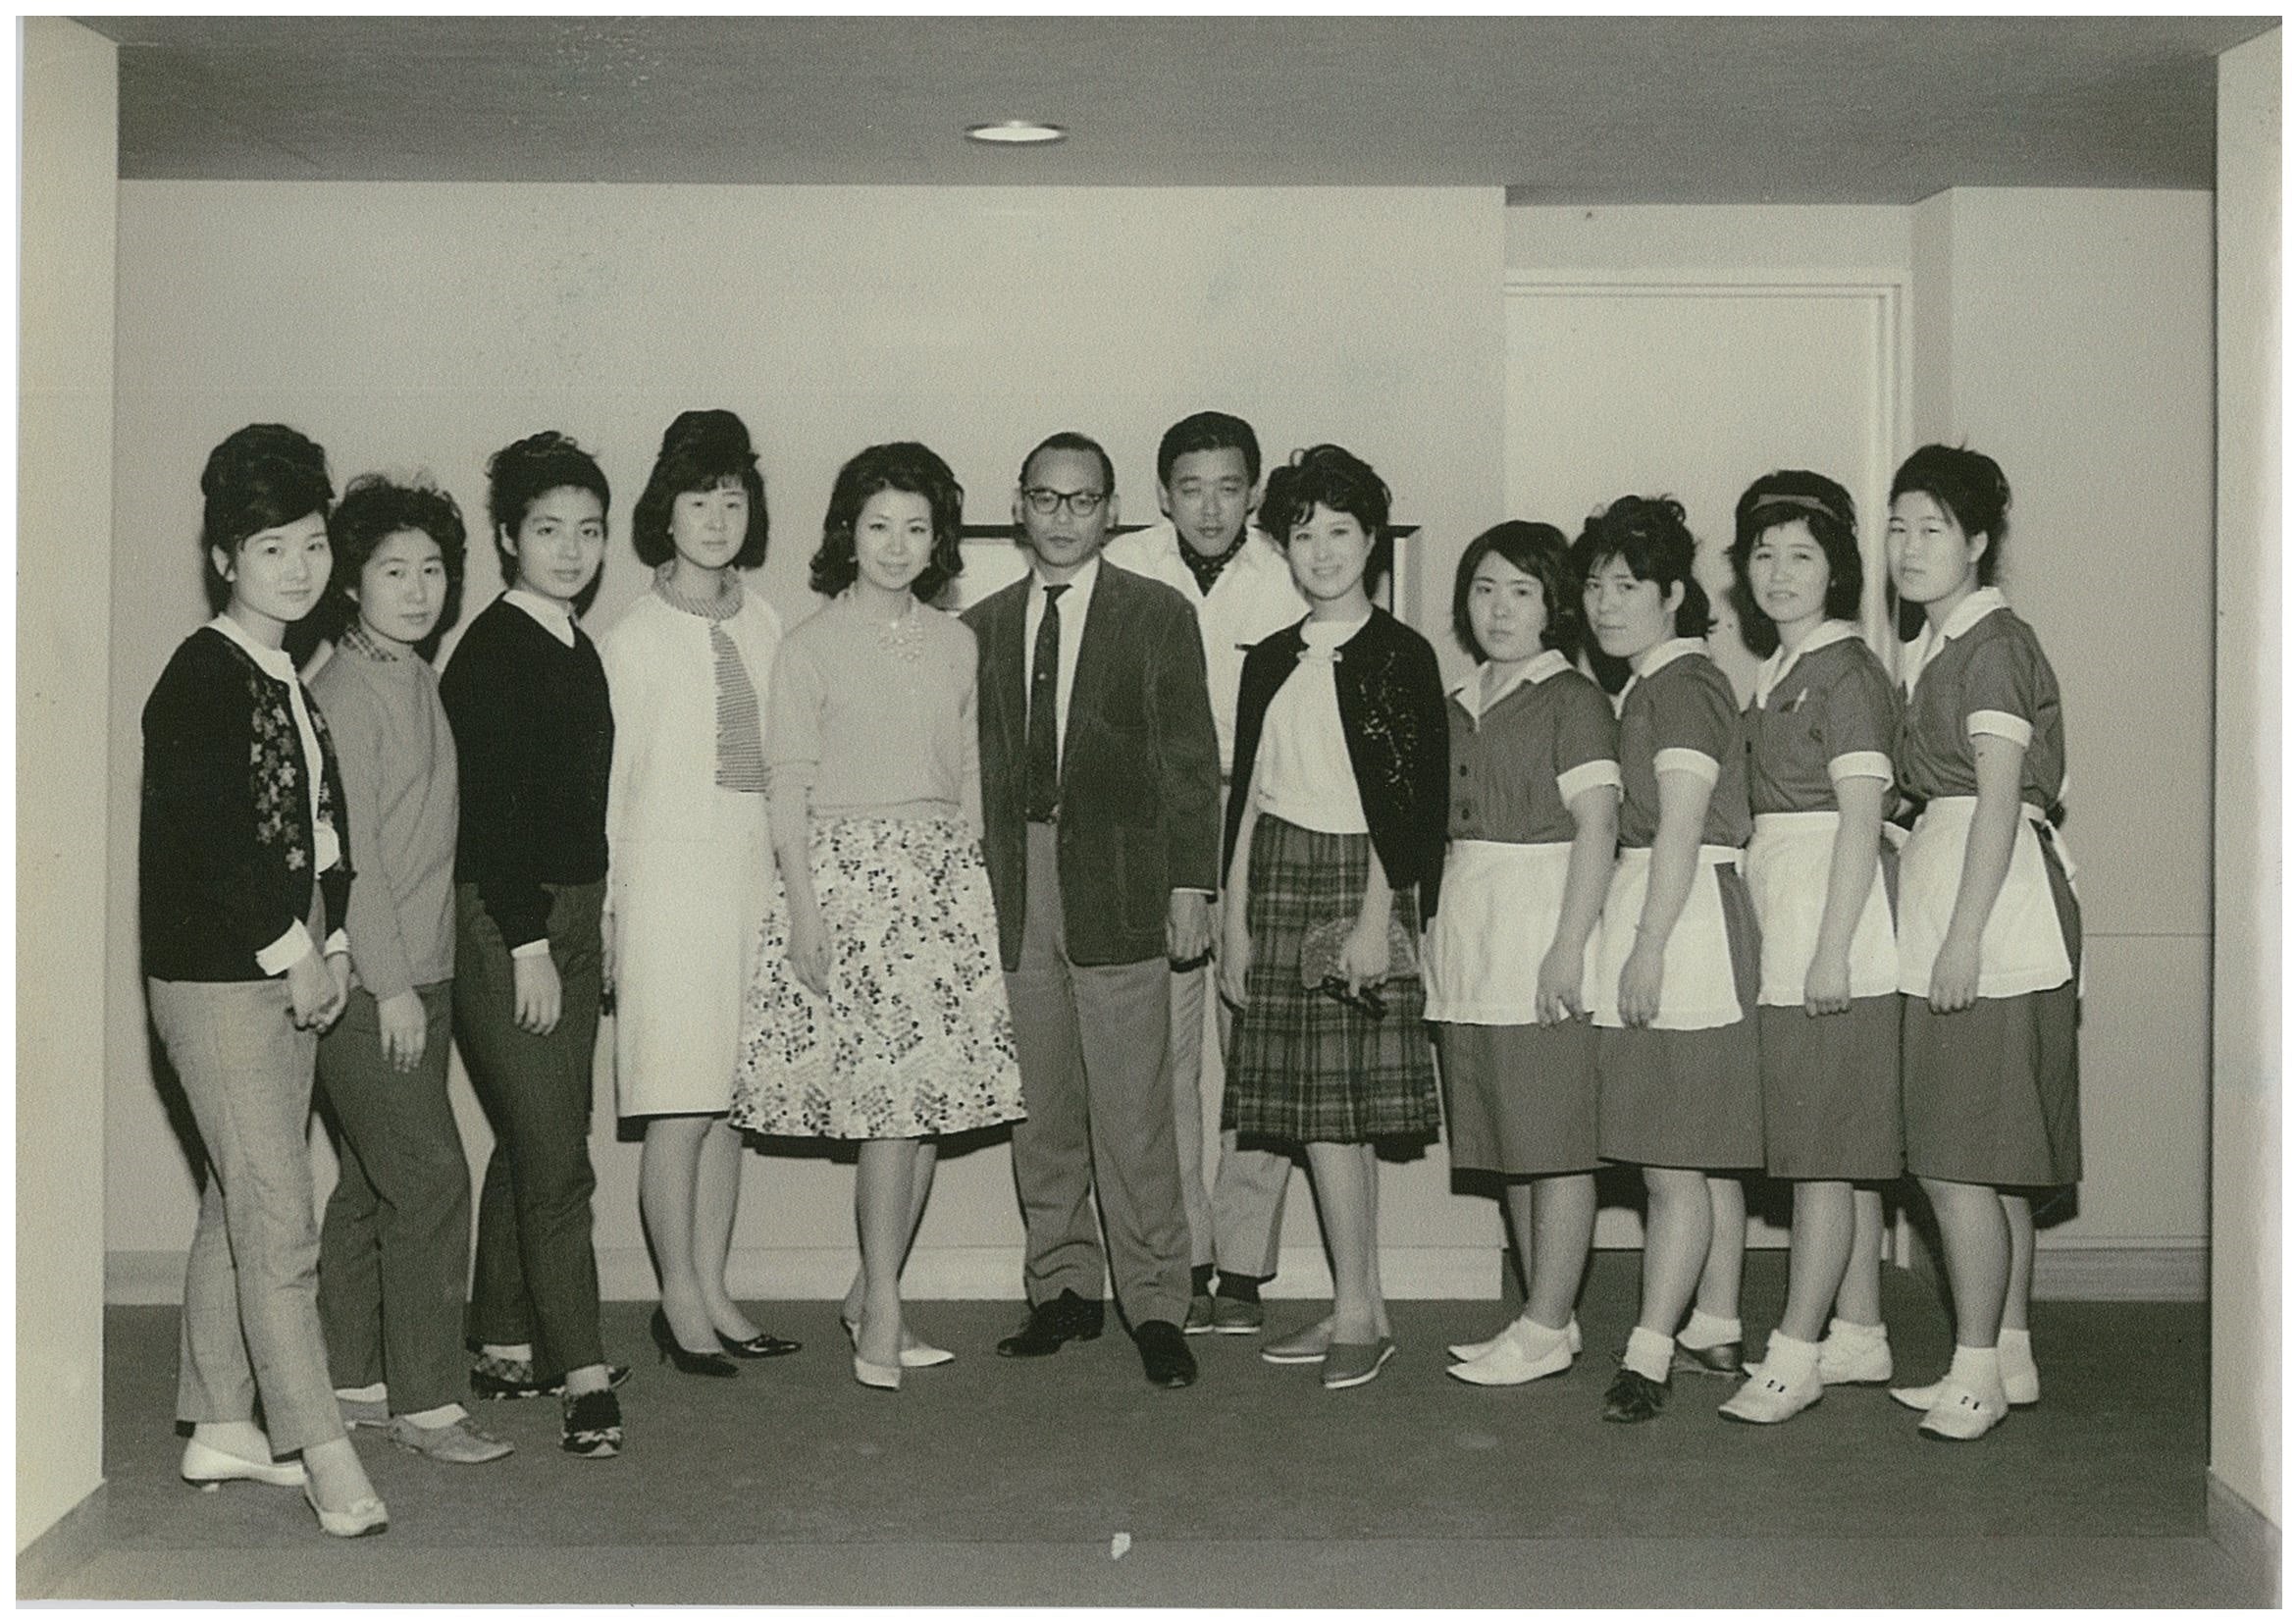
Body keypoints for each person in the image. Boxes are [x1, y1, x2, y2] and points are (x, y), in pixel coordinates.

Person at [732, 442, 1026, 1389]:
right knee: (889, 1111)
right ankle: (886, 1311)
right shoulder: (809, 646)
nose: (896, 546)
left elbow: (969, 770)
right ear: (847, 534)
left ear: (939, 540)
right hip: (850, 885)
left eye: (916, 528)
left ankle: (871, 1291)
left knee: (927, 1106)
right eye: (878, 526)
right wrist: (805, 914)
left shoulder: (958, 642)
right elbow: (787, 787)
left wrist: (970, 884)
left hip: (941, 882)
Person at [140, 423, 388, 1536]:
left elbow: (323, 832)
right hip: (219, 978)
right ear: (224, 558)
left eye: (313, 545)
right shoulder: (200, 674)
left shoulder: (285, 671)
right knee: (281, 1218)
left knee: (237, 1196)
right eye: (271, 548)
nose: (298, 567)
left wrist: (333, 945)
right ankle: (322, 1448)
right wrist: (294, 951)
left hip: (286, 961)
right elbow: (217, 842)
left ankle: (221, 1424)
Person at [964, 430, 1221, 1390]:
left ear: (1112, 510)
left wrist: (1191, 886)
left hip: (1121, 883)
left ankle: (1156, 1302)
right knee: (1041, 1107)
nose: (1063, 517)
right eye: (1046, 498)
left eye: (1082, 500)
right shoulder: (981, 626)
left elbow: (1191, 763)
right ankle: (1063, 1287)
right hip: (1015, 884)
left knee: (1136, 1111)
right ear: (1019, 506)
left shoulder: (1157, 614)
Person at [1220, 445, 1448, 1391]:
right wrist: (1234, 920)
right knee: (1316, 1112)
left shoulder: (1402, 655)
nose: (1321, 551)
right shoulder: (1272, 658)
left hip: (1362, 879)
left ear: (1373, 541)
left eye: (1340, 532)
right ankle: (1364, 1305)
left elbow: (1411, 807)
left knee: (1341, 1108)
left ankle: (1359, 1306)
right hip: (1277, 874)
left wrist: (1375, 921)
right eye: (1303, 533)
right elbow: (1249, 798)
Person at [1880, 445, 2078, 1442]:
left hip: (1989, 908)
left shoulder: (1991, 642)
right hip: (1957, 885)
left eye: (1933, 529)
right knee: (1989, 1159)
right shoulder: (1940, 643)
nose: (1909, 547)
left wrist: (1963, 938)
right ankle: (2009, 1354)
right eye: (1898, 527)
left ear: (1977, 542)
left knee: (1956, 1159)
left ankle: (1974, 1374)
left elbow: (1998, 799)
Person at [309, 475, 508, 1466]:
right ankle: (429, 1405)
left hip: (420, 968)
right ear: (352, 581)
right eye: (394, 570)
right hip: (372, 981)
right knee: (430, 1179)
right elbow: (354, 866)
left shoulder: (411, 671)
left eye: (432, 569)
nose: (418, 589)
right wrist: (390, 987)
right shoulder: (346, 692)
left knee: (370, 1184)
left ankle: (351, 1381)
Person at [599, 410, 799, 1379]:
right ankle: (677, 1298)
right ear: (665, 513)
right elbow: (611, 790)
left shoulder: (766, 622)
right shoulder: (632, 640)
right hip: (666, 894)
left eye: (733, 500)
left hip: (750, 888)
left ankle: (716, 1288)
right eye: (698, 501)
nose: (717, 520)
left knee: (729, 1107)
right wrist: (610, 912)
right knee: (679, 1104)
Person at [439, 431, 624, 1457]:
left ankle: (508, 1341)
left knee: (533, 1134)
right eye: (549, 529)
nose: (571, 550)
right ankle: (583, 1376)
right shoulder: (494, 651)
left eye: (588, 531)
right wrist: (526, 944)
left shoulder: (570, 642)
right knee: (559, 1161)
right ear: (509, 536)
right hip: (512, 920)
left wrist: (592, 922)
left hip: (572, 914)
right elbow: (488, 819)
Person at [1104, 410, 1310, 1334]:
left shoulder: (1291, 572)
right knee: (1168, 1057)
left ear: (1254, 492)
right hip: (1161, 826)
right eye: (1191, 488)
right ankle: (1182, 1257)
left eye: (1230, 488)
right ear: (1163, 493)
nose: (1211, 507)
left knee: (1258, 1050)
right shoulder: (1126, 568)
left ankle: (1244, 1267)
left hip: (1266, 818)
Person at [1715, 472, 1904, 1425]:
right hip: (1786, 914)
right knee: (1841, 1146)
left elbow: (1863, 818)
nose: (1779, 572)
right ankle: (1859, 1332)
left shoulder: (1846, 671)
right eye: (1763, 553)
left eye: (1801, 554)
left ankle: (1793, 1355)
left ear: (1837, 570)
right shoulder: (1779, 671)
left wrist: (1834, 950)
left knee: (1822, 1158)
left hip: (1837, 925)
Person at [1578, 495, 1761, 1425]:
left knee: (1670, 1165)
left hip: (1683, 921)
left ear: (1673, 594)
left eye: (1628, 585)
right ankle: (1716, 1323)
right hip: (1668, 906)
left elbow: (1682, 824)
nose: (1605, 604)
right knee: (1702, 1151)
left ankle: (1647, 1355)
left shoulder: (1683, 685)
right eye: (1595, 585)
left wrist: (1648, 948)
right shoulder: (1653, 682)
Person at [1425, 522, 1617, 1387]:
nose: (1500, 610)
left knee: (1556, 1139)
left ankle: (1544, 1322)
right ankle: (1548, 1318)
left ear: (1554, 606)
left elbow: (1599, 826)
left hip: (1542, 921)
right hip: (1472, 928)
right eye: (1484, 589)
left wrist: (1567, 949)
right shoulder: (1458, 698)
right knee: (1507, 1136)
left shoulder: (1572, 699)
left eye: (1522, 592)